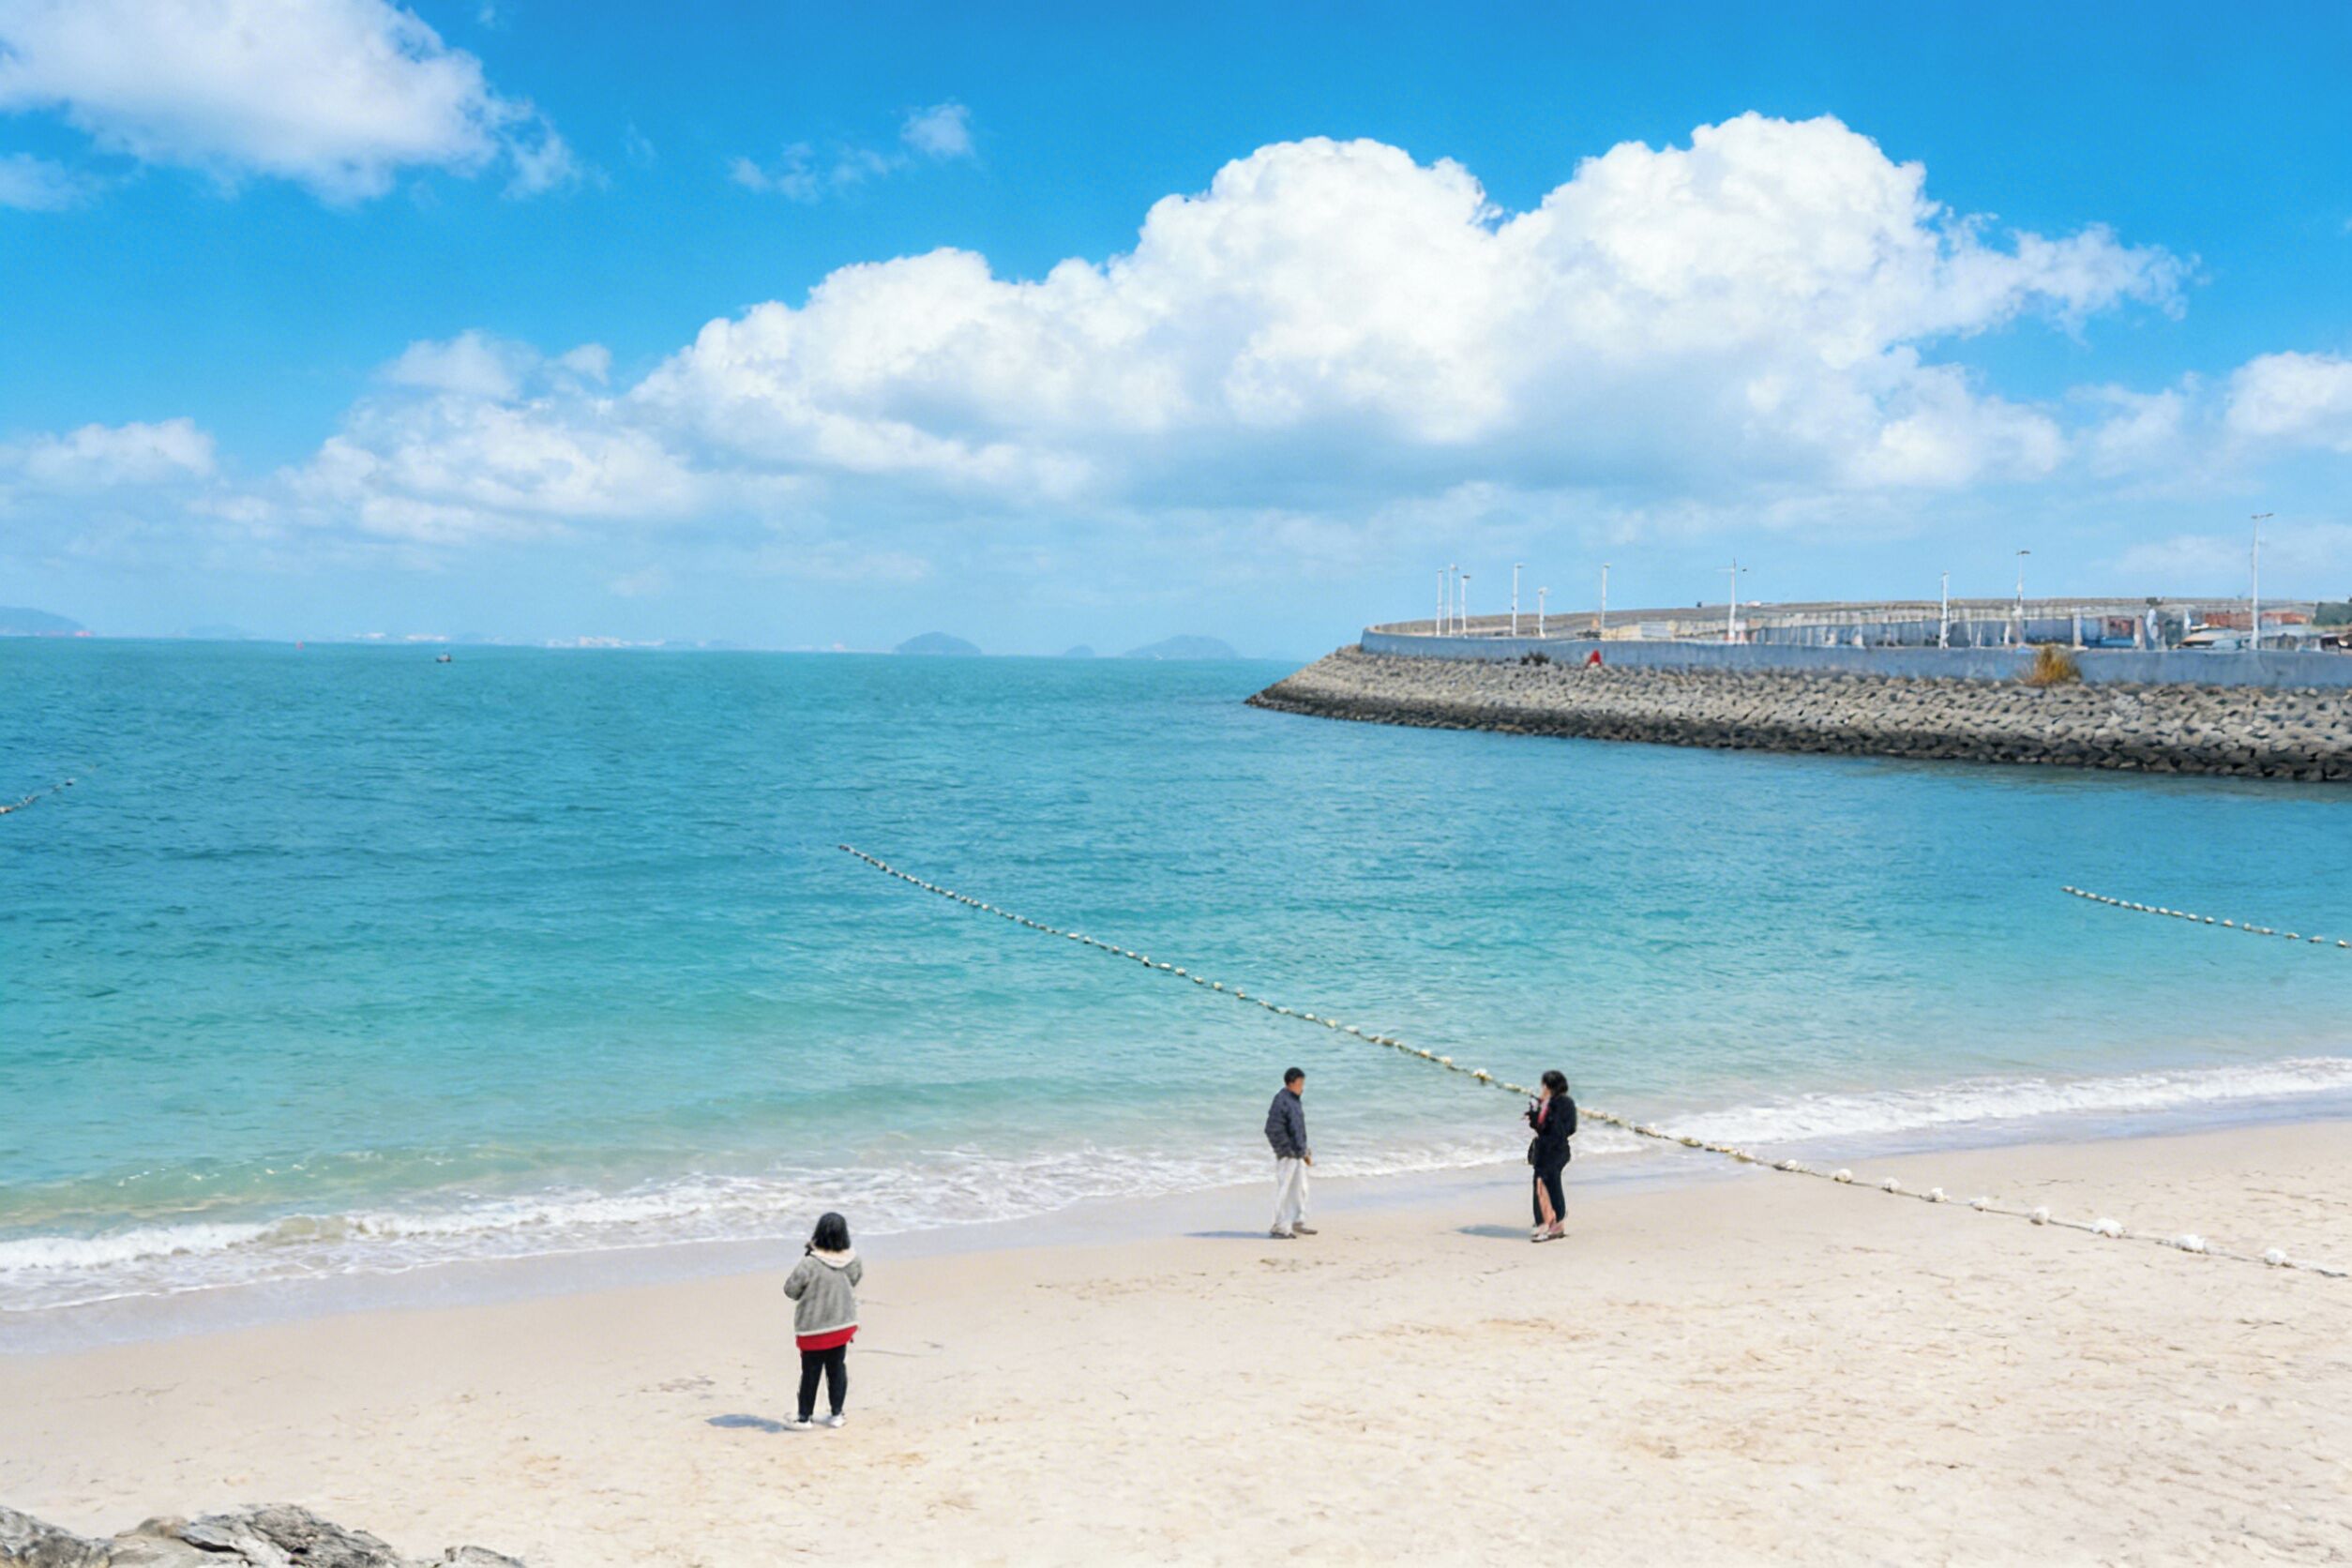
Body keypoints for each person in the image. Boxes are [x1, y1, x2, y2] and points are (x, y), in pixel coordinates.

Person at [782, 1212, 862, 1429]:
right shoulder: (852, 1260)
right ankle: (837, 1415)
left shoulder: (809, 1263)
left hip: (813, 1329)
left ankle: (804, 1418)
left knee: (810, 1373)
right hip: (842, 1325)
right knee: (837, 1369)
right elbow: (854, 1280)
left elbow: (790, 1290)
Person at [1524, 1070, 1576, 1243]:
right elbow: (1541, 1126)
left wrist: (1542, 1112)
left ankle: (1544, 1224)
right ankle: (1556, 1223)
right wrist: (1534, 1113)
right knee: (1551, 1184)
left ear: (1550, 1086)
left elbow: (1558, 1127)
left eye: (1544, 1085)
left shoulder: (1558, 1104)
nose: (1542, 1088)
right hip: (1554, 1149)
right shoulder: (1554, 1103)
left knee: (1541, 1185)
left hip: (1552, 1150)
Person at [1264, 1067, 1316, 1239]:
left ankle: (1297, 1222)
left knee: (1301, 1189)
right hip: (1288, 1154)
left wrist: (1305, 1151)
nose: (1303, 1087)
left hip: (1298, 1153)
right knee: (1285, 1191)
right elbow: (1271, 1129)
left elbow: (1297, 1129)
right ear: (1291, 1083)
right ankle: (1280, 1226)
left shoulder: (1294, 1100)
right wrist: (1286, 1150)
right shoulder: (1281, 1100)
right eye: (1300, 1083)